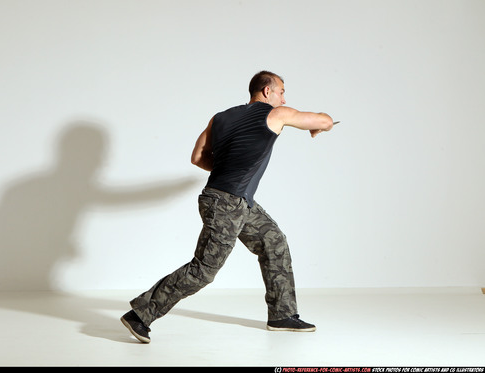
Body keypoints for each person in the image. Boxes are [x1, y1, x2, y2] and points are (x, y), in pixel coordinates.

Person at [121, 71, 335, 343]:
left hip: (235, 201)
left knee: (273, 241)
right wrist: (319, 126)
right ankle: (140, 315)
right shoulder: (277, 114)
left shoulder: (219, 118)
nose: (284, 98)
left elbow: (198, 157)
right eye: (281, 91)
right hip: (227, 204)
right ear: (267, 91)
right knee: (203, 270)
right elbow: (324, 120)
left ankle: (283, 314)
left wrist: (227, 168)